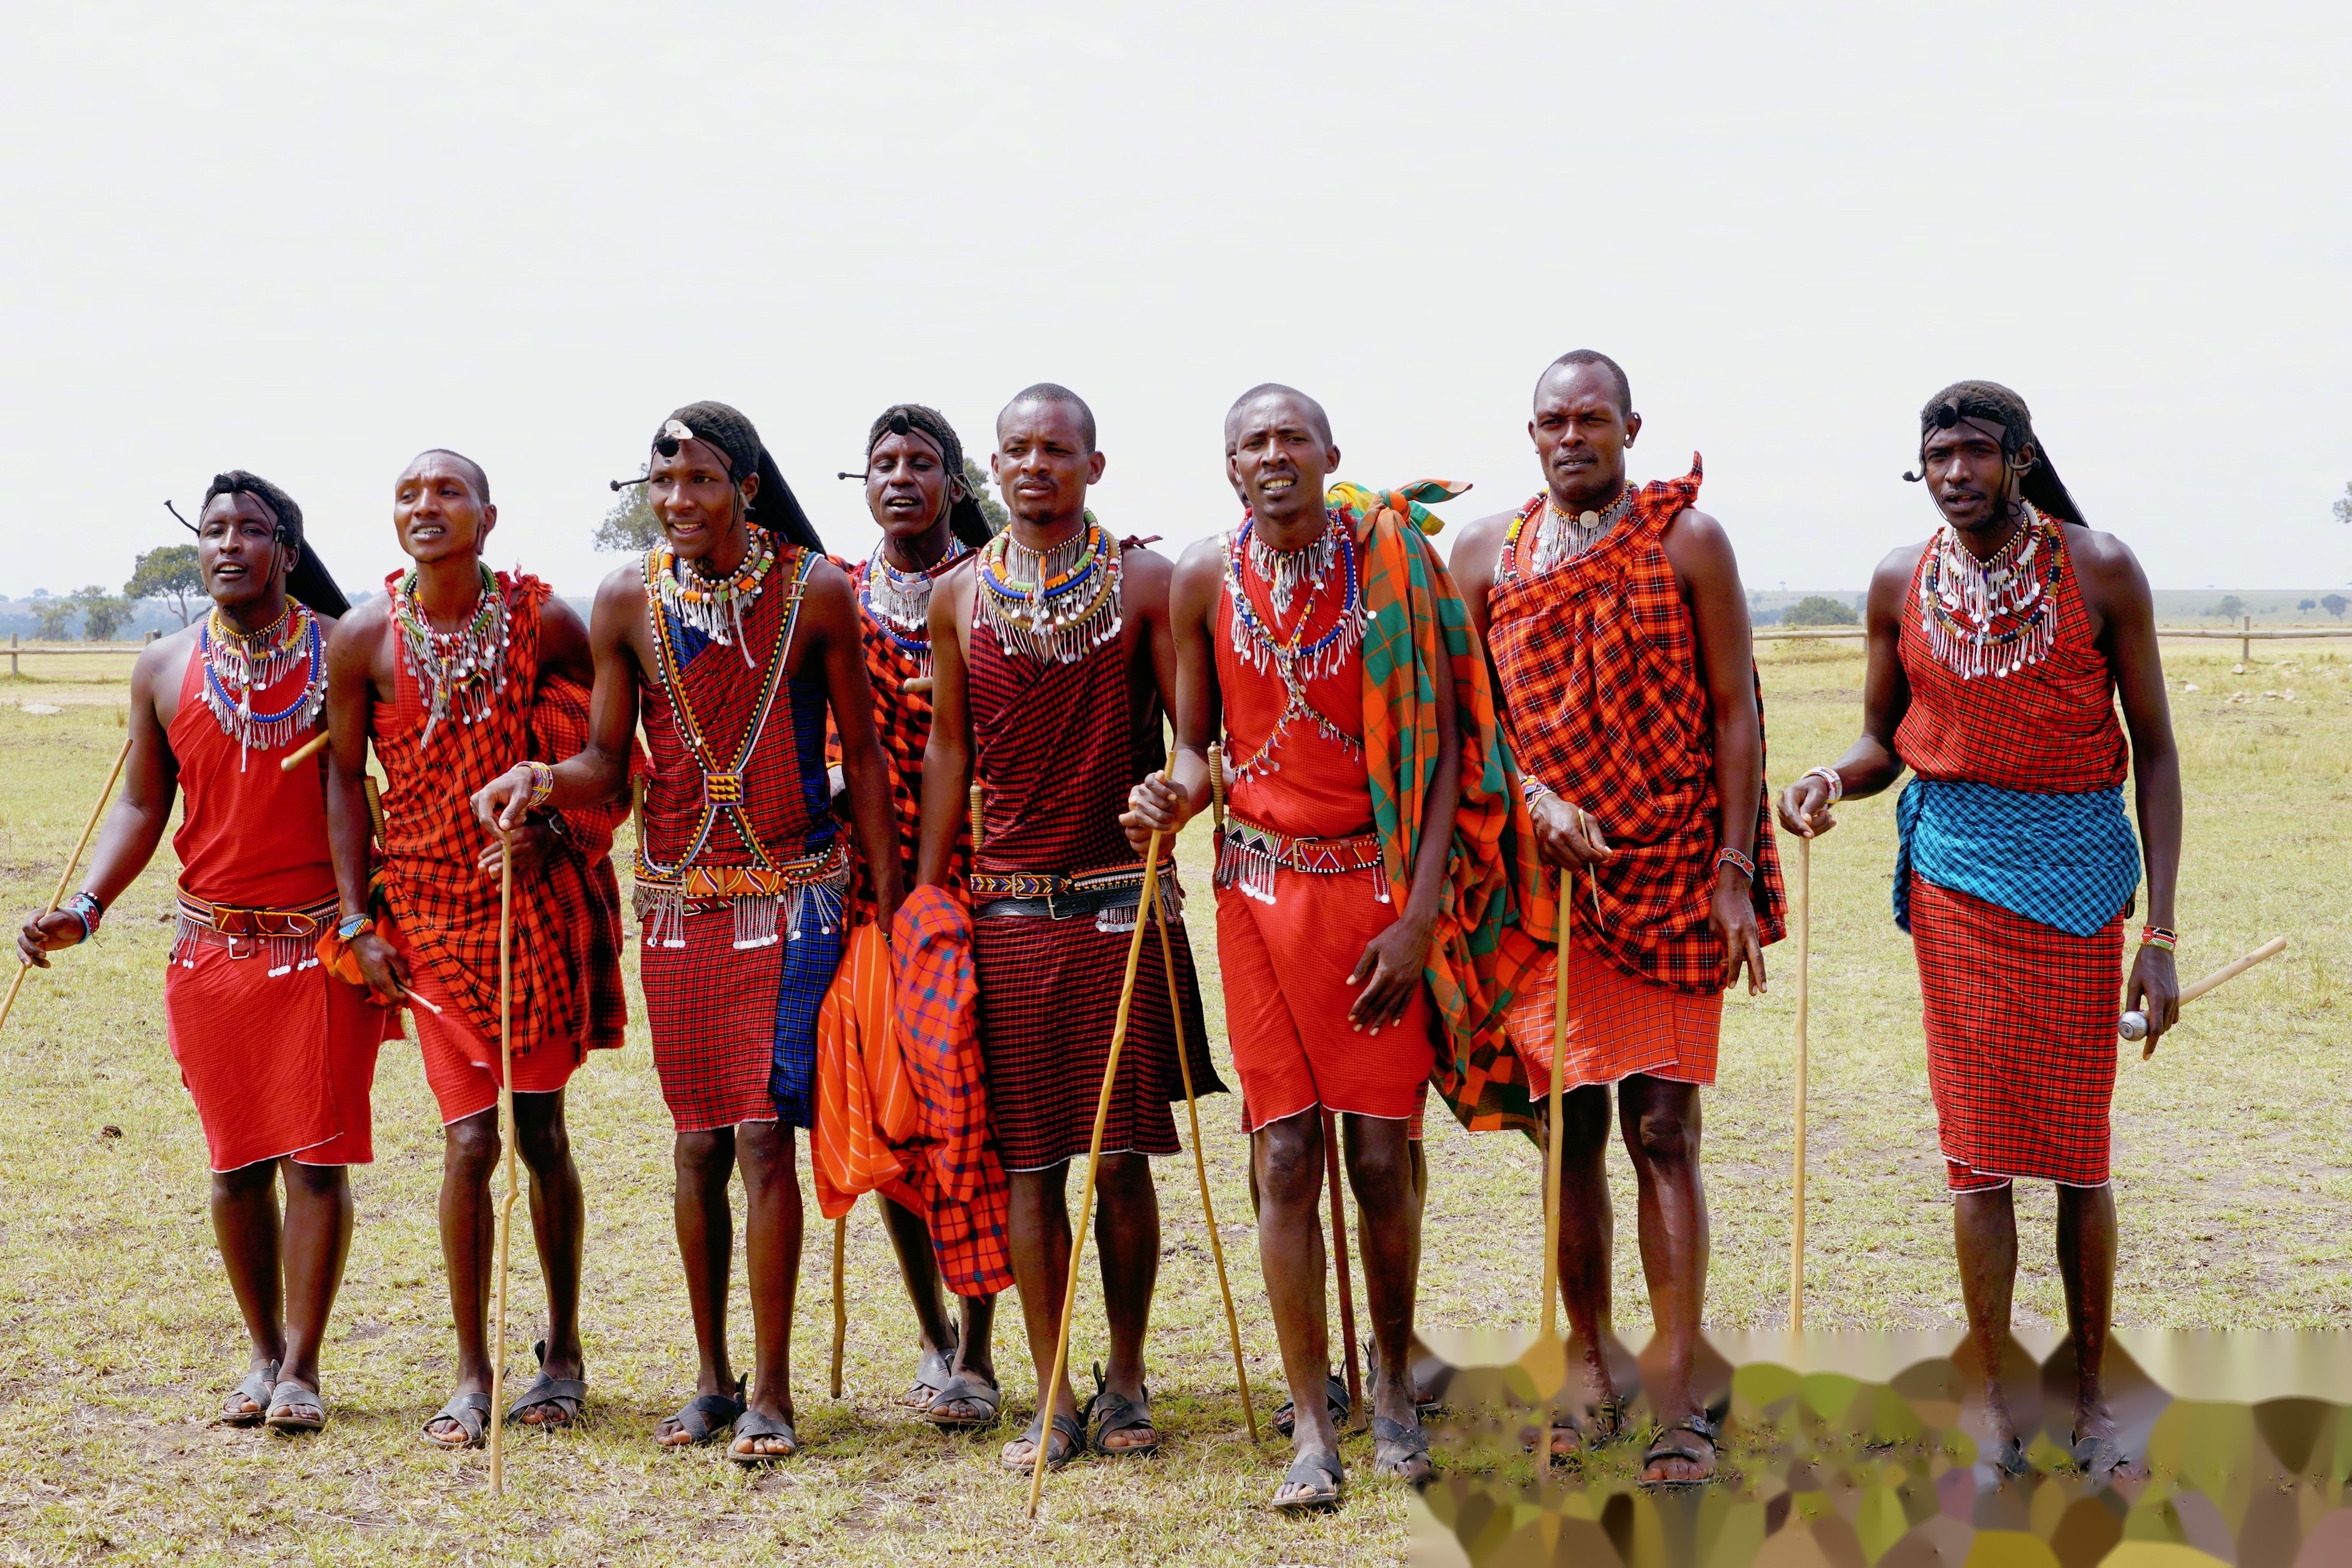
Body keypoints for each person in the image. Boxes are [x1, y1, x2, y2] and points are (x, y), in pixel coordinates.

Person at [1124, 383, 1543, 1502]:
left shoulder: (1395, 562)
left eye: (1290, 439)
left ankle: (1396, 1385)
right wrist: (1170, 794)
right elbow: (1198, 747)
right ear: (1228, 468)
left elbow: (1451, 748)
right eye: (1251, 443)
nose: (1273, 456)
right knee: (1286, 1154)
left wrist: (1416, 917)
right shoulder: (1203, 580)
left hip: (1375, 896)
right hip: (1257, 898)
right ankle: (1313, 1421)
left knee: (1374, 1156)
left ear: (1329, 454)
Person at [473, 401, 903, 1464]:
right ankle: (710, 1380)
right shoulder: (627, 597)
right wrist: (543, 776)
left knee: (764, 1135)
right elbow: (608, 765)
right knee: (698, 1142)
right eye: (662, 485)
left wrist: (899, 909)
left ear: (746, 488)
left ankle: (773, 1392)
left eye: (701, 482)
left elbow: (872, 760)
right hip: (677, 906)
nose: (678, 502)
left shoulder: (815, 593)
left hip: (794, 896)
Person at [1776, 380, 2179, 1479]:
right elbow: (1882, 742)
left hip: (2087, 881)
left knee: (2081, 1156)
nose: (1956, 474)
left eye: (1976, 453)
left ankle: (2094, 1398)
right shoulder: (1897, 581)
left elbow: (2158, 752)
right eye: (1937, 455)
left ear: (2021, 459)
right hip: (1956, 880)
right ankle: (1995, 1401)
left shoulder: (2099, 571)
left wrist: (2164, 935)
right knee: (1979, 1158)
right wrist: (1823, 776)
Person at [1453, 349, 1783, 1485]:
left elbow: (1737, 708)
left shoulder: (1687, 540)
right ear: (1530, 432)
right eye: (1552, 420)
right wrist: (1533, 798)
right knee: (1568, 1135)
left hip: (1680, 864)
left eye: (1592, 418)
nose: (1570, 436)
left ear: (1632, 427)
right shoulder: (1485, 553)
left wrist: (1736, 867)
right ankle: (1589, 1359)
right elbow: (1470, 711)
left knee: (1662, 1131)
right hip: (1545, 880)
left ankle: (1679, 1392)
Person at [17, 472, 386, 1435]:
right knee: (235, 1168)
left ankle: (304, 1366)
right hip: (210, 952)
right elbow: (143, 804)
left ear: (288, 552)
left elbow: (378, 780)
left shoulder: (341, 653)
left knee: (314, 1161)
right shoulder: (163, 667)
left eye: (249, 531)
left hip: (321, 947)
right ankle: (261, 1352)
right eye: (213, 531)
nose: (226, 546)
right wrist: (87, 907)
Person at [914, 383, 1226, 1472]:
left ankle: (1127, 1383)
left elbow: (1198, 739)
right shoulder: (958, 595)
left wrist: (1174, 794)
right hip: (1004, 909)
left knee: (1125, 1156)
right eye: (1016, 450)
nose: (1034, 465)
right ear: (991, 470)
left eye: (1056, 450)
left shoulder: (1148, 584)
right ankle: (1050, 1393)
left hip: (1116, 903)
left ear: (1097, 467)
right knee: (1028, 1164)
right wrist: (924, 894)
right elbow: (948, 750)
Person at [322, 450, 629, 1448]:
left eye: (447, 492)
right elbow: (339, 784)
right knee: (468, 1141)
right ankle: (470, 1371)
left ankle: (565, 1353)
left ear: (487, 519)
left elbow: (605, 756)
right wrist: (358, 922)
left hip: (527, 916)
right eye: (409, 492)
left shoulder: (547, 623)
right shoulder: (365, 637)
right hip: (426, 916)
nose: (426, 506)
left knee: (540, 1137)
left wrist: (554, 833)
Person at [834, 403, 1005, 1427]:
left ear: (953, 485)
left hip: (982, 882)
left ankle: (981, 1350)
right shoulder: (835, 601)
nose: (901, 478)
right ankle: (934, 1337)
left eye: (922, 463)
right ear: (863, 484)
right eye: (883, 463)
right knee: (891, 1118)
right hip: (866, 888)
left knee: (968, 1112)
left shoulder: (993, 589)